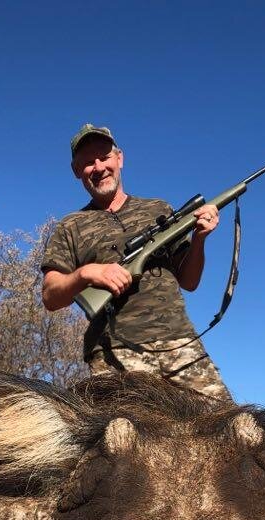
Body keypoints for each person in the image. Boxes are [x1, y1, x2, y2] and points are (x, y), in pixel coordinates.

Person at [41, 124, 231, 402]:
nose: (98, 167)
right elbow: (50, 295)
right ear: (76, 171)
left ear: (119, 158)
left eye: (104, 157)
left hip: (180, 343)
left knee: (232, 431)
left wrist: (200, 239)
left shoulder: (160, 210)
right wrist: (87, 273)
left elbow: (189, 281)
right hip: (114, 353)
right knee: (120, 440)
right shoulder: (70, 226)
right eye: (87, 162)